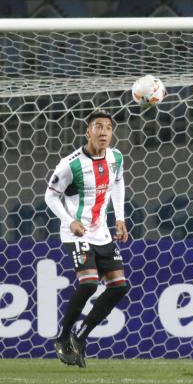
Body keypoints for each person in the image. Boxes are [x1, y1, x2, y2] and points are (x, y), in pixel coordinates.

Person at [45, 110, 129, 368]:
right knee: (90, 283)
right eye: (98, 127)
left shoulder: (115, 157)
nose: (103, 132)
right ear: (87, 132)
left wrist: (120, 218)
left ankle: (80, 336)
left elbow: (118, 183)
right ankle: (62, 337)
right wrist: (69, 220)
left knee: (119, 287)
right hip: (76, 231)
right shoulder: (70, 163)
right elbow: (50, 196)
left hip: (102, 231)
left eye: (108, 128)